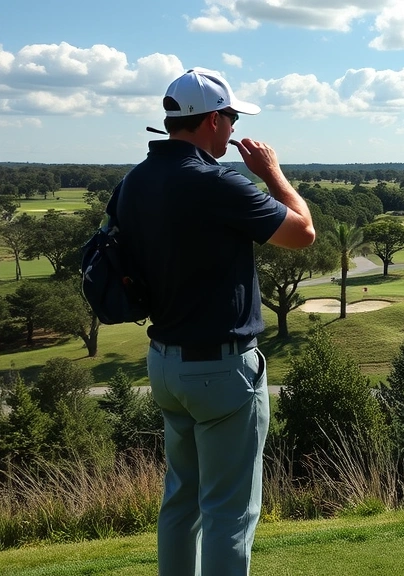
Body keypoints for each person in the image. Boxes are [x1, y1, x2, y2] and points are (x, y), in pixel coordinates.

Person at [117, 67, 315, 575]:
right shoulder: (215, 181)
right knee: (229, 512)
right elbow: (302, 234)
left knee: (180, 503)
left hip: (164, 365)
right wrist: (272, 173)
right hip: (222, 372)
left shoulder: (136, 180)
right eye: (229, 118)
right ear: (209, 121)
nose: (233, 129)